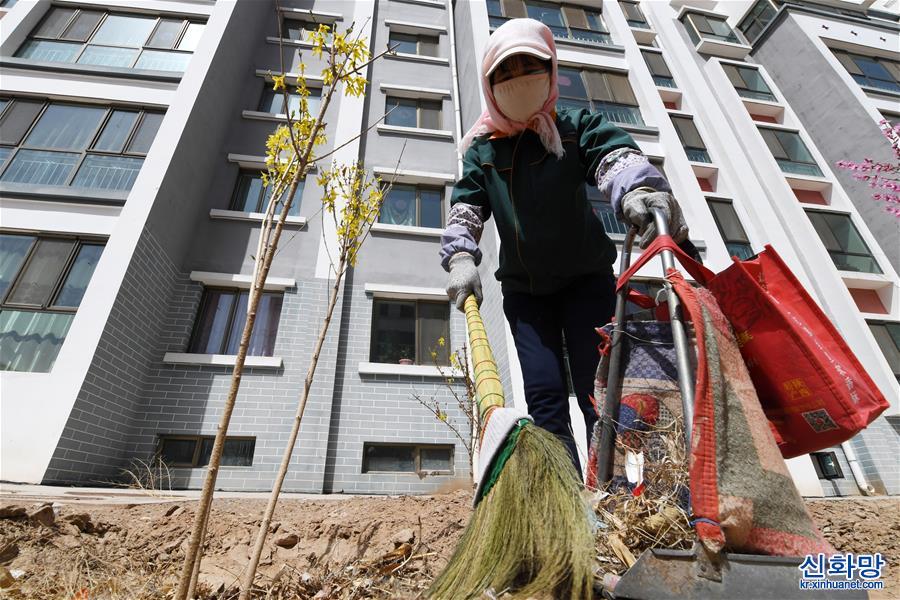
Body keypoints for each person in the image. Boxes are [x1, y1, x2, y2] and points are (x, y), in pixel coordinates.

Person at [439, 18, 692, 474]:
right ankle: (568, 497)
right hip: (526, 294)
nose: (518, 79)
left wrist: (635, 191)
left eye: (529, 66)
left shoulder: (575, 127)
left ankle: (613, 491)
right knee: (544, 397)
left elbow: (612, 157)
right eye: (506, 71)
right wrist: (460, 255)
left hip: (586, 283)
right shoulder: (484, 152)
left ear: (550, 70)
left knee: (600, 390)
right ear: (490, 84)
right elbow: (467, 206)